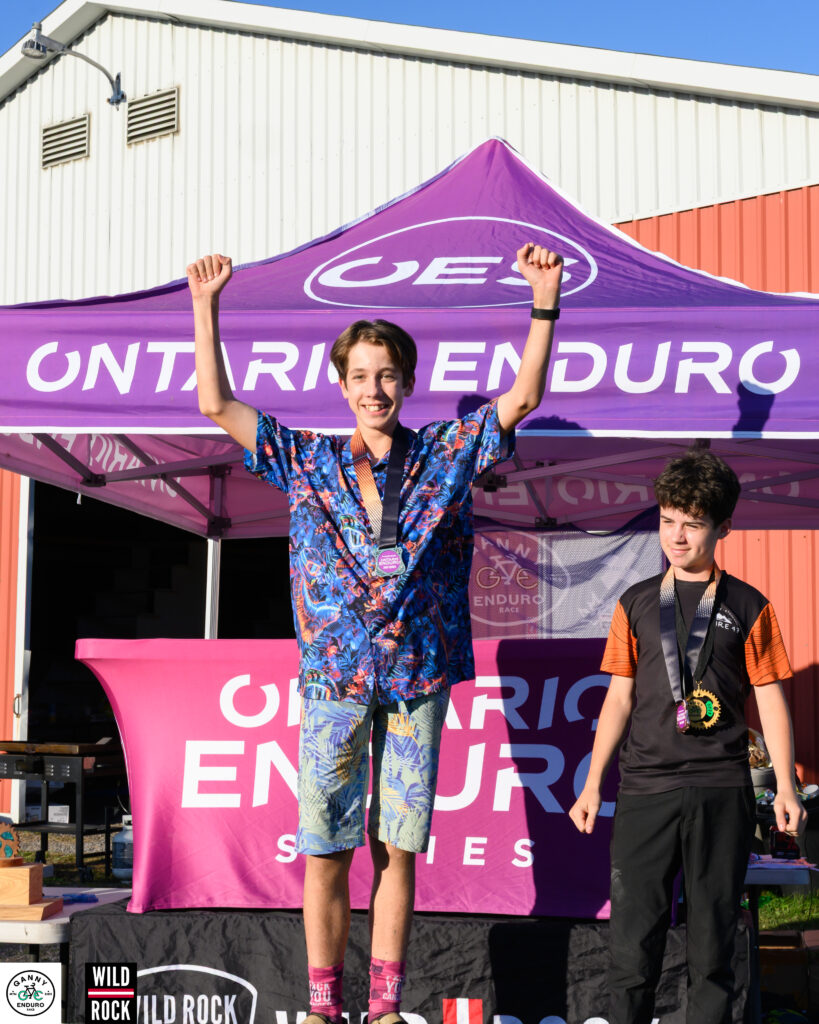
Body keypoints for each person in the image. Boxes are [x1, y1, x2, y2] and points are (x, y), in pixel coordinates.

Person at [188, 243, 563, 1024]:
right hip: (335, 680)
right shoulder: (307, 459)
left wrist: (542, 302)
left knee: (398, 845)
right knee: (325, 848)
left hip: (416, 677)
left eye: (387, 375)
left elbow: (522, 396)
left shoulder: (443, 454)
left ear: (407, 381)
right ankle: (323, 1006)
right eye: (360, 376)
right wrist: (206, 306)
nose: (374, 389)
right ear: (342, 384)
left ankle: (384, 1007)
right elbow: (216, 405)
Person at [569, 448, 806, 1024]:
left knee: (712, 948)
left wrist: (787, 787)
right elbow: (618, 698)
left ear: (723, 527)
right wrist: (592, 782)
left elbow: (770, 697)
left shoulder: (749, 604)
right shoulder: (635, 602)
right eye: (668, 520)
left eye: (692, 524)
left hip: (722, 788)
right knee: (632, 949)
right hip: (645, 790)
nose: (676, 536)